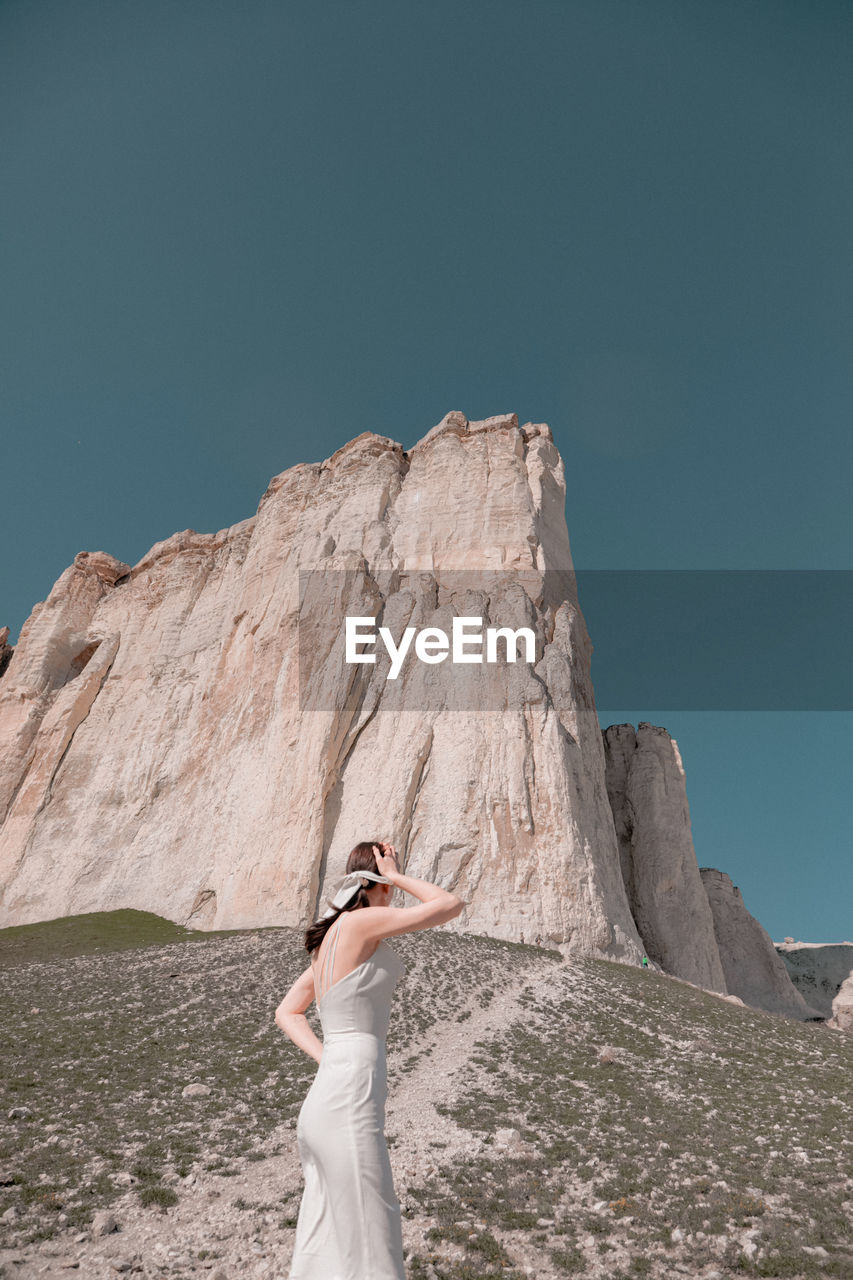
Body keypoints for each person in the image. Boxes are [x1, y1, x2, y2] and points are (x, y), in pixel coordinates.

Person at [275, 840, 465, 1280]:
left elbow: (287, 1011)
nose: (394, 892)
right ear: (373, 879)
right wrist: (395, 874)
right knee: (373, 1236)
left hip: (328, 1098)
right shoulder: (361, 921)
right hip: (348, 1100)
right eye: (388, 881)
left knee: (325, 1246)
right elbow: (449, 904)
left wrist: (331, 1059)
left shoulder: (330, 941)